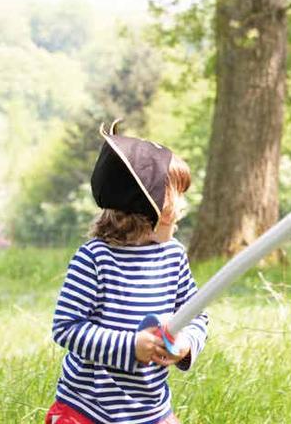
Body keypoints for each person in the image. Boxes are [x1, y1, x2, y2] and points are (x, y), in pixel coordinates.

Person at [46, 122, 209, 424]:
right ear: (149, 203)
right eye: (178, 194)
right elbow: (66, 327)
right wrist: (130, 346)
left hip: (150, 410)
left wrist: (185, 344)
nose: (184, 205)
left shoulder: (173, 256)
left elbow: (197, 314)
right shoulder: (95, 258)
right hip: (89, 409)